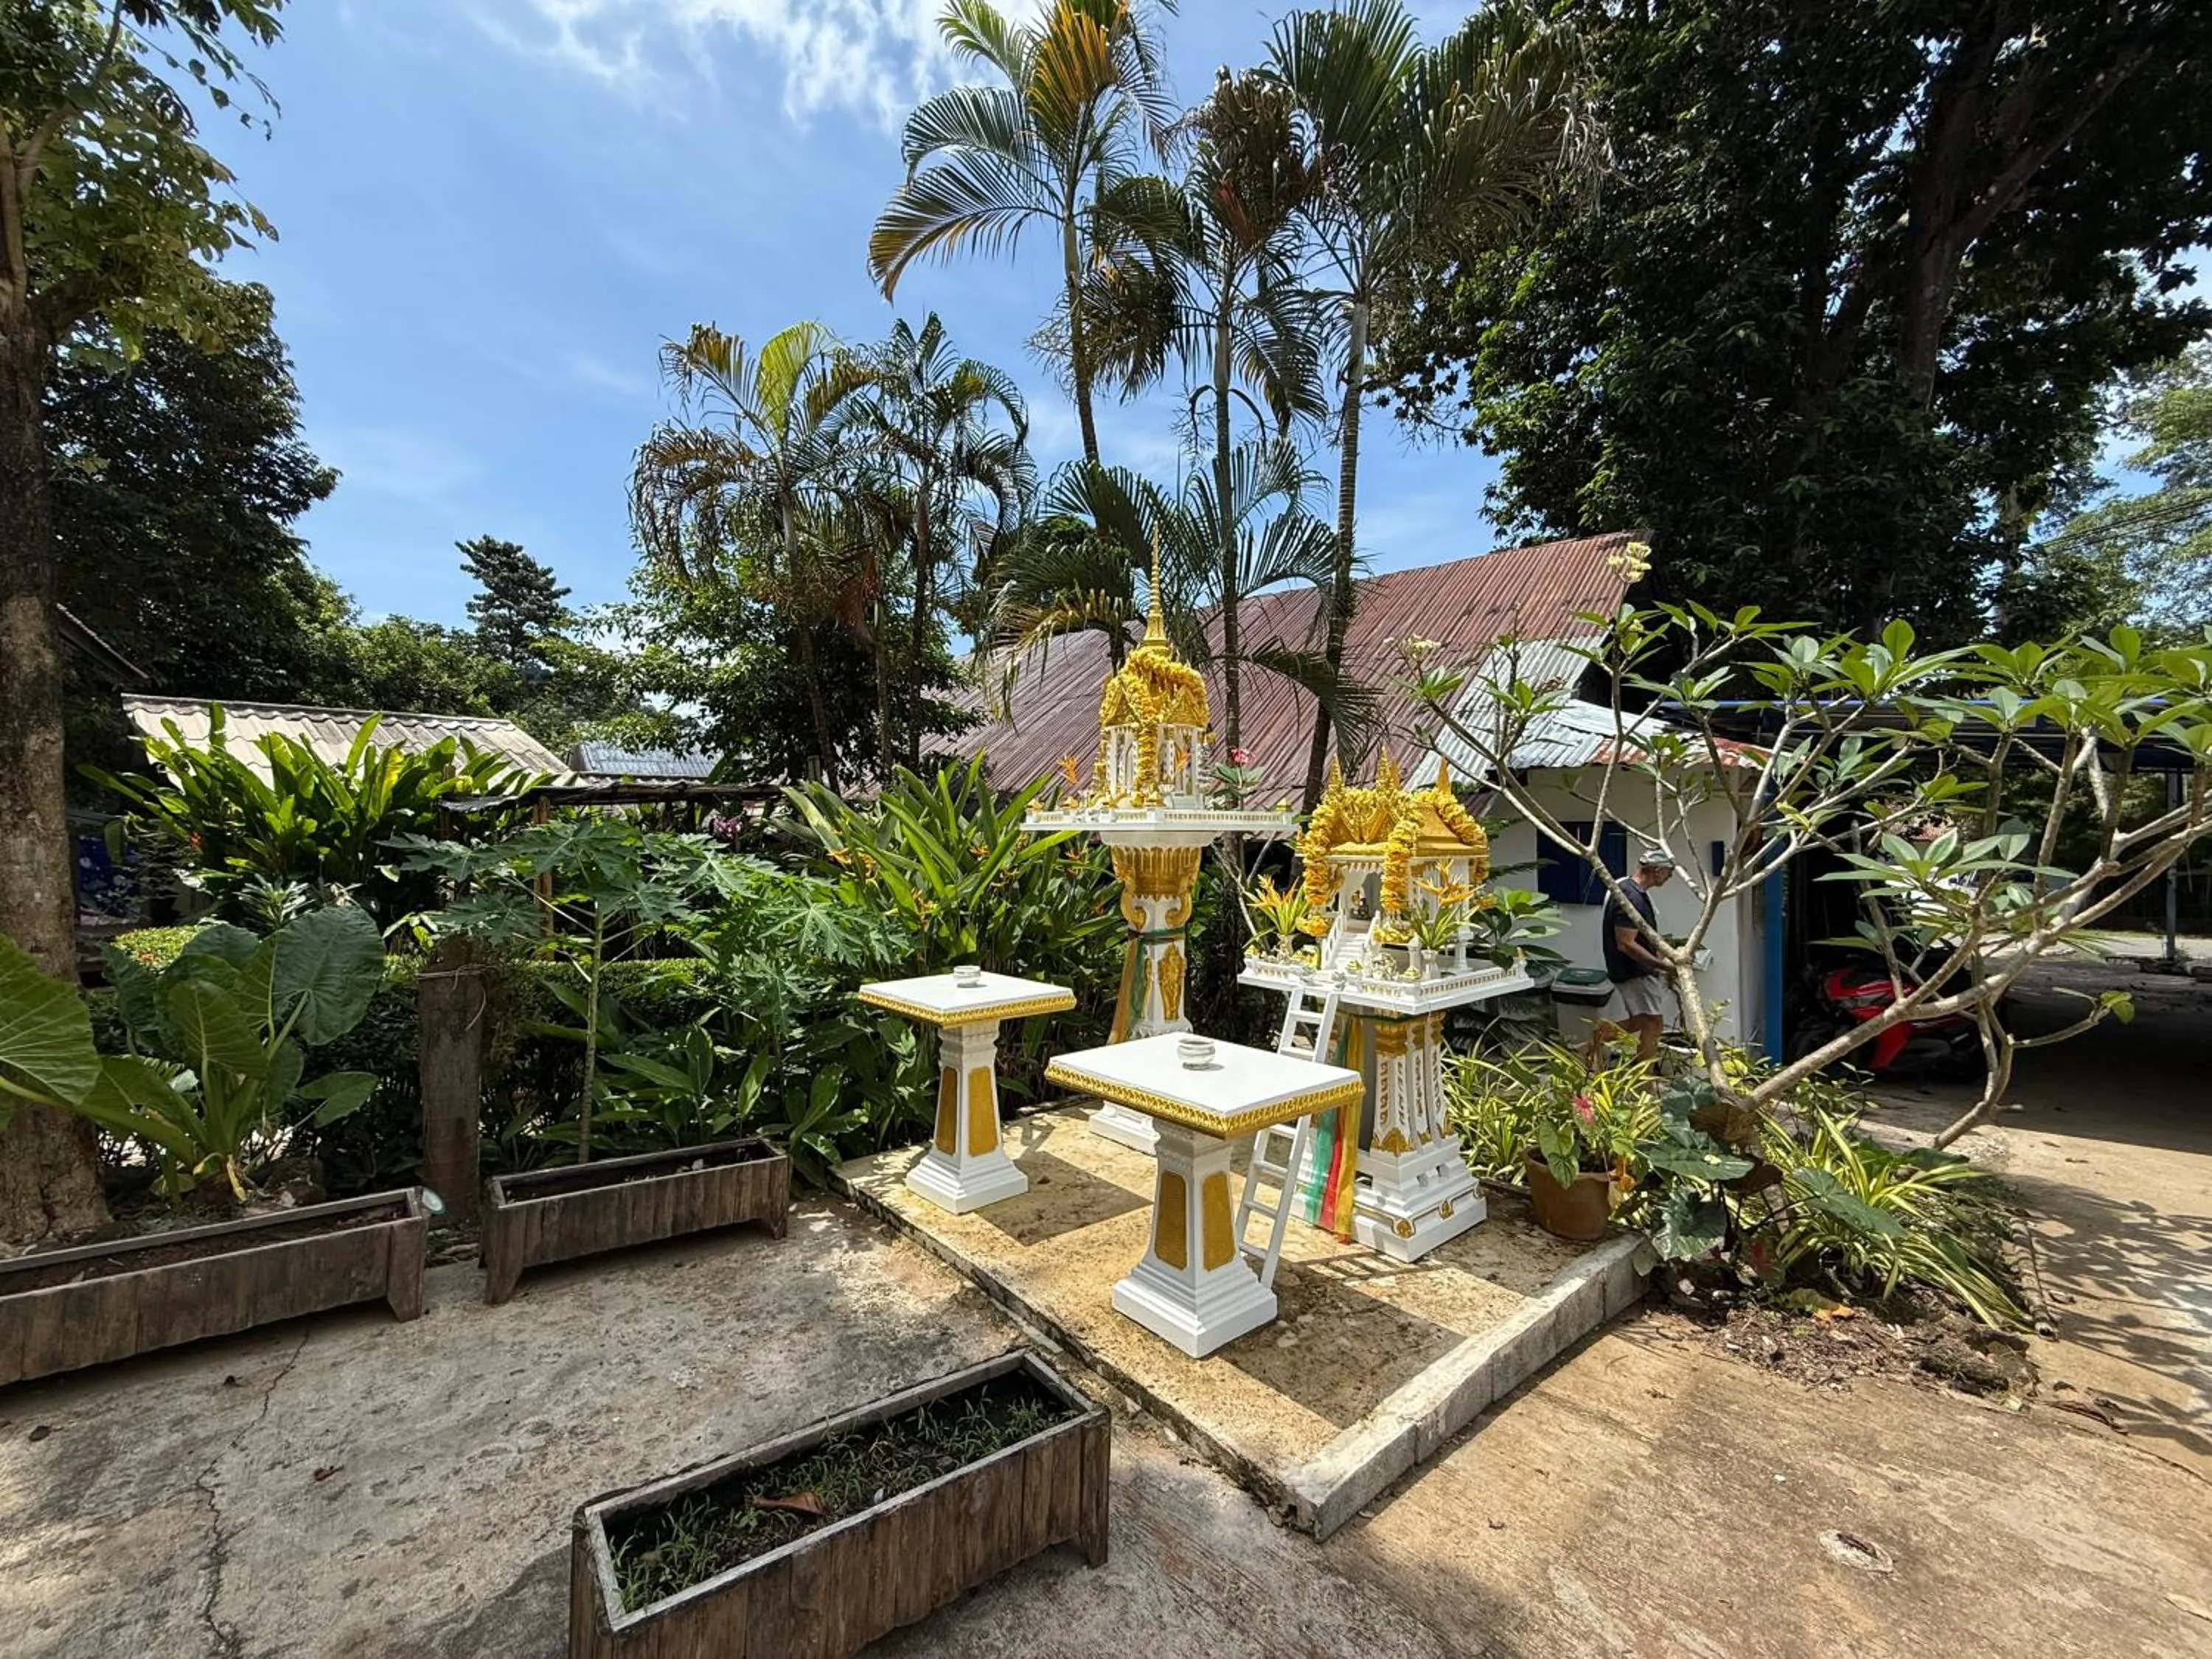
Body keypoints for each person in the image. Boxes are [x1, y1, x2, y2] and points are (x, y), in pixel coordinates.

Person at [1600, 850, 1676, 1062]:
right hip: (1633, 970)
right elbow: (1626, 943)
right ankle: (1644, 1083)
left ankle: (1593, 1042)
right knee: (1653, 1024)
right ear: (1657, 870)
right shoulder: (1631, 897)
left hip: (1633, 969)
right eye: (1669, 873)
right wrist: (1665, 967)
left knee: (1643, 1021)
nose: (1669, 877)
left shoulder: (1628, 887)